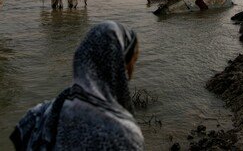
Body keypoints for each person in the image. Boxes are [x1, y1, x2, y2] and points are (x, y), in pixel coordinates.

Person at [10, 21, 144, 150]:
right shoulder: (123, 134)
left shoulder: (38, 115)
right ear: (119, 67)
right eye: (132, 62)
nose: (131, 72)